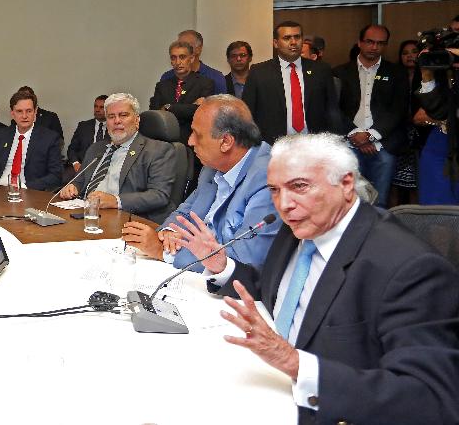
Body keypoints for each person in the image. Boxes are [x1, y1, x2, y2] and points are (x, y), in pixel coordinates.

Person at [170, 133, 459, 424]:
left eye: (299, 186)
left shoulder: (410, 268)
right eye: (274, 190)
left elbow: (431, 398)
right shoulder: (301, 225)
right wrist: (222, 266)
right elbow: (278, 290)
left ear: (346, 184)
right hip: (265, 385)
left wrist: (294, 363)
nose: (284, 204)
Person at [123, 95, 279, 271]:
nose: (190, 141)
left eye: (197, 135)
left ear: (226, 142)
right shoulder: (213, 166)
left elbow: (242, 261)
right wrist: (169, 233)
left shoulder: (269, 180)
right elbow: (186, 212)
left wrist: (164, 252)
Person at [58, 93, 175, 222]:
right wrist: (72, 187)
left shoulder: (157, 150)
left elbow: (159, 195)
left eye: (123, 115)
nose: (117, 121)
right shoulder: (96, 148)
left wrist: (115, 201)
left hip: (126, 220)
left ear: (137, 120)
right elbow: (80, 181)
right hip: (85, 215)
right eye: (111, 116)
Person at [334, 24, 408, 208]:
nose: (374, 47)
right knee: (347, 201)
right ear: (359, 42)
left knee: (379, 202)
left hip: (382, 144)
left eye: (380, 43)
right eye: (370, 42)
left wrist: (370, 135)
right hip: (348, 143)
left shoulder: (397, 73)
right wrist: (355, 134)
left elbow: (398, 109)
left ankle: (377, 227)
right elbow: (333, 108)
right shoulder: (339, 72)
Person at [242, 21, 340, 145]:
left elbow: (332, 109)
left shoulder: (321, 70)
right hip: (273, 146)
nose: (293, 42)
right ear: (275, 43)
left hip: (314, 145)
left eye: (297, 37)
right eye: (287, 38)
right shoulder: (259, 72)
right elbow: (247, 112)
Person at [0, 89, 63, 191]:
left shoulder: (49, 138)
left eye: (29, 111)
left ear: (35, 112)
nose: (24, 116)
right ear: (12, 114)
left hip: (29, 191)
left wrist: (25, 187)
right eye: (19, 111)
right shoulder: (1, 135)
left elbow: (55, 175)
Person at [415, 43, 459, 204]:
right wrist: (426, 75)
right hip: (440, 145)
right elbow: (436, 112)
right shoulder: (448, 78)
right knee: (435, 205)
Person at [150, 41, 215, 144]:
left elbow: (199, 112)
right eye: (173, 58)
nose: (178, 62)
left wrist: (168, 108)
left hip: (192, 142)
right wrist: (189, 107)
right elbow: (154, 115)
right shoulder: (162, 85)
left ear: (191, 59)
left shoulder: (204, 83)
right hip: (165, 143)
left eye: (182, 57)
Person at [392, 39, 427, 203]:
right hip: (398, 132)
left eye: (414, 52)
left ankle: (415, 215)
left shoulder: (427, 76)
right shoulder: (394, 76)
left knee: (416, 182)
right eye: (405, 53)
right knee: (394, 182)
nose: (410, 56)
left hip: (420, 134)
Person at [158, 29, 227, 90]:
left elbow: (221, 101)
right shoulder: (167, 77)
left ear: (198, 49)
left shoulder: (215, 77)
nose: (181, 50)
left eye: (186, 46)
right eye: (179, 45)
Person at [67, 95, 108, 171]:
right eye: (95, 106)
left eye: (101, 107)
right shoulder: (83, 126)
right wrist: (75, 163)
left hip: (105, 168)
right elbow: (72, 149)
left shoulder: (114, 128)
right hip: (83, 166)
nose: (97, 110)